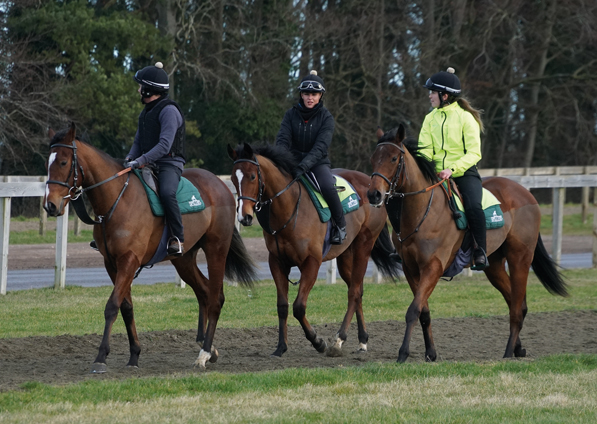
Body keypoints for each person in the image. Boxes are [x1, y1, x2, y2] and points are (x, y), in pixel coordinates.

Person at [418, 67, 488, 270]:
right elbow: (425, 150)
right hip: (435, 174)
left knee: (474, 206)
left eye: (432, 92)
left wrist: (452, 169)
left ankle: (480, 250)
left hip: (464, 173)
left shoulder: (466, 118)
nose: (430, 96)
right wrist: (423, 166)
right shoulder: (430, 118)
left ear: (444, 95)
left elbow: (474, 153)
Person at [275, 70, 346, 244]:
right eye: (306, 93)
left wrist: (304, 165)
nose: (310, 98)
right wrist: (282, 160)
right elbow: (283, 140)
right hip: (291, 162)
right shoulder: (290, 115)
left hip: (317, 163)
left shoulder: (327, 117)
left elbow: (321, 147)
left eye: (314, 94)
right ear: (301, 94)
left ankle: (340, 226)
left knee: (328, 186)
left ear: (320, 96)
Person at [125, 61, 187, 256]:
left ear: (149, 90)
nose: (138, 90)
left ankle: (177, 237)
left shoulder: (169, 111)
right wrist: (130, 158)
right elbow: (137, 142)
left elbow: (164, 146)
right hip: (146, 162)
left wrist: (140, 160)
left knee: (167, 192)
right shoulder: (145, 113)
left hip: (169, 164)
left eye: (140, 87)